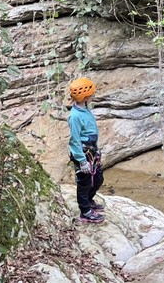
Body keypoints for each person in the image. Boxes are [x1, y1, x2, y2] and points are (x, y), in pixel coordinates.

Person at [68, 77, 105, 223]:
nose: (93, 96)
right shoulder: (75, 117)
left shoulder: (85, 109)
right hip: (83, 154)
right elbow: (74, 140)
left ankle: (89, 201)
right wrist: (82, 161)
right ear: (85, 97)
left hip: (91, 151)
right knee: (84, 183)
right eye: (91, 94)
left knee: (97, 179)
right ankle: (85, 211)